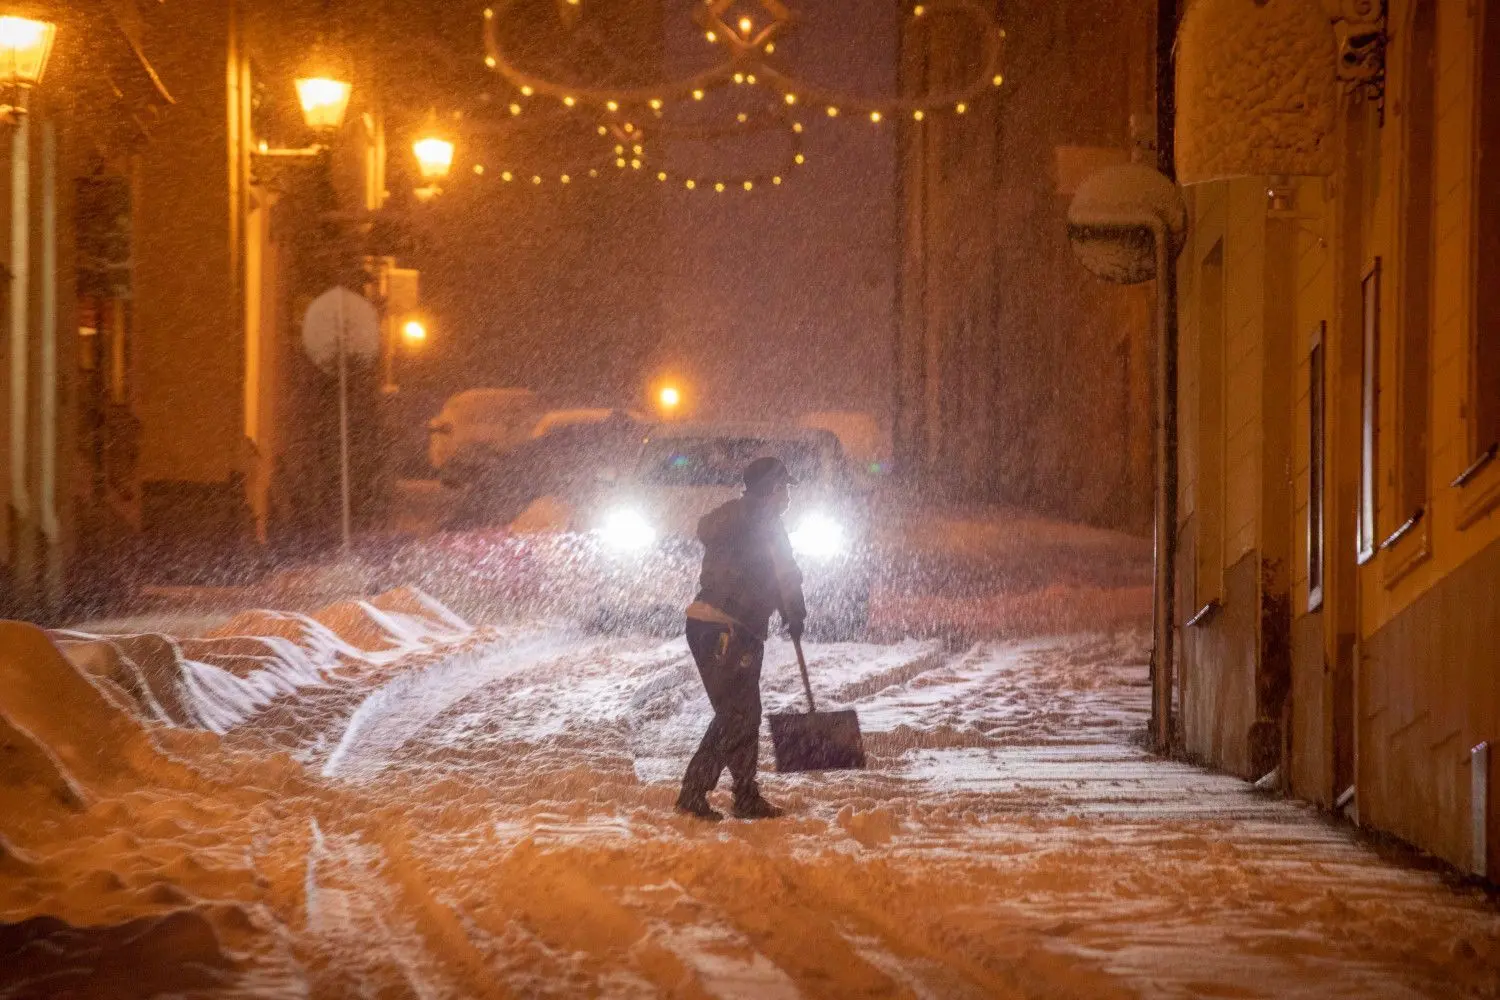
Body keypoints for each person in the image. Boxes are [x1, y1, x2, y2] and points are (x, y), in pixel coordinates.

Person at [675, 456, 807, 821]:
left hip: (705, 622)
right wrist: (794, 613)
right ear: (773, 488)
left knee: (740, 712)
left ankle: (740, 794)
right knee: (738, 713)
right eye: (785, 488)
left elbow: (756, 567)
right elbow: (786, 574)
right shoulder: (767, 523)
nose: (788, 497)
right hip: (729, 627)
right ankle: (701, 794)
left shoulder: (734, 516)